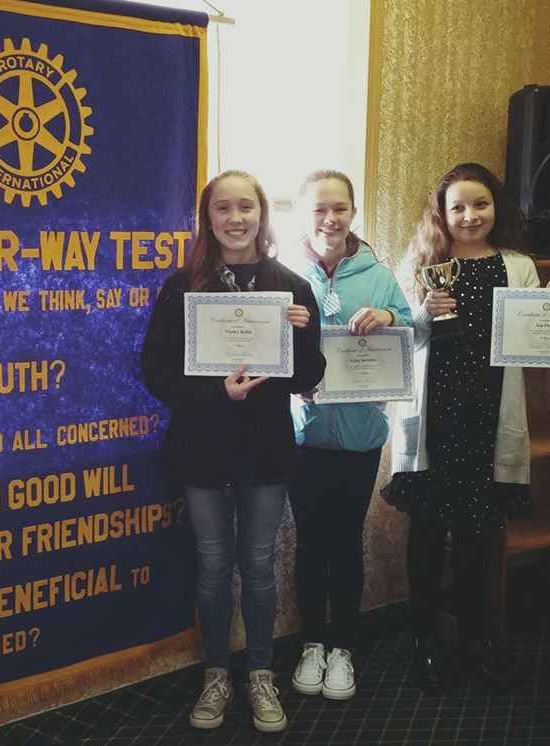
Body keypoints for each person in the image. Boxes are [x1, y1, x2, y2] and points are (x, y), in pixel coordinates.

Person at [141, 170, 326, 733]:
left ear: (262, 214)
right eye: (223, 208)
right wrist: (217, 393)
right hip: (201, 447)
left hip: (266, 449)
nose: (235, 218)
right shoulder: (182, 287)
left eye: (246, 206)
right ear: (208, 217)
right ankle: (217, 675)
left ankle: (261, 674)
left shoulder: (291, 286)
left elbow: (308, 377)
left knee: (259, 565)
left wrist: (302, 331)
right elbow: (155, 372)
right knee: (214, 564)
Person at [381, 162, 550, 694]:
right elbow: (399, 338)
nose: (470, 216)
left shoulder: (518, 265)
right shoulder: (420, 262)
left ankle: (474, 638)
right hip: (434, 419)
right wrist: (424, 311)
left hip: (488, 416)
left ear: (497, 208)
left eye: (481, 204)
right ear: (441, 214)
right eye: (458, 207)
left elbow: (537, 337)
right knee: (426, 533)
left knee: (476, 535)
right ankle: (425, 640)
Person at [288, 170, 412, 700]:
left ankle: (343, 648)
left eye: (339, 208)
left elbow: (412, 330)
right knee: (310, 544)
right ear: (303, 214)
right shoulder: (287, 274)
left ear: (353, 213)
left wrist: (388, 314)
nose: (330, 219)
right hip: (302, 438)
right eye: (319, 209)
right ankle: (311, 645)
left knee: (346, 541)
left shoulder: (378, 275)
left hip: (362, 438)